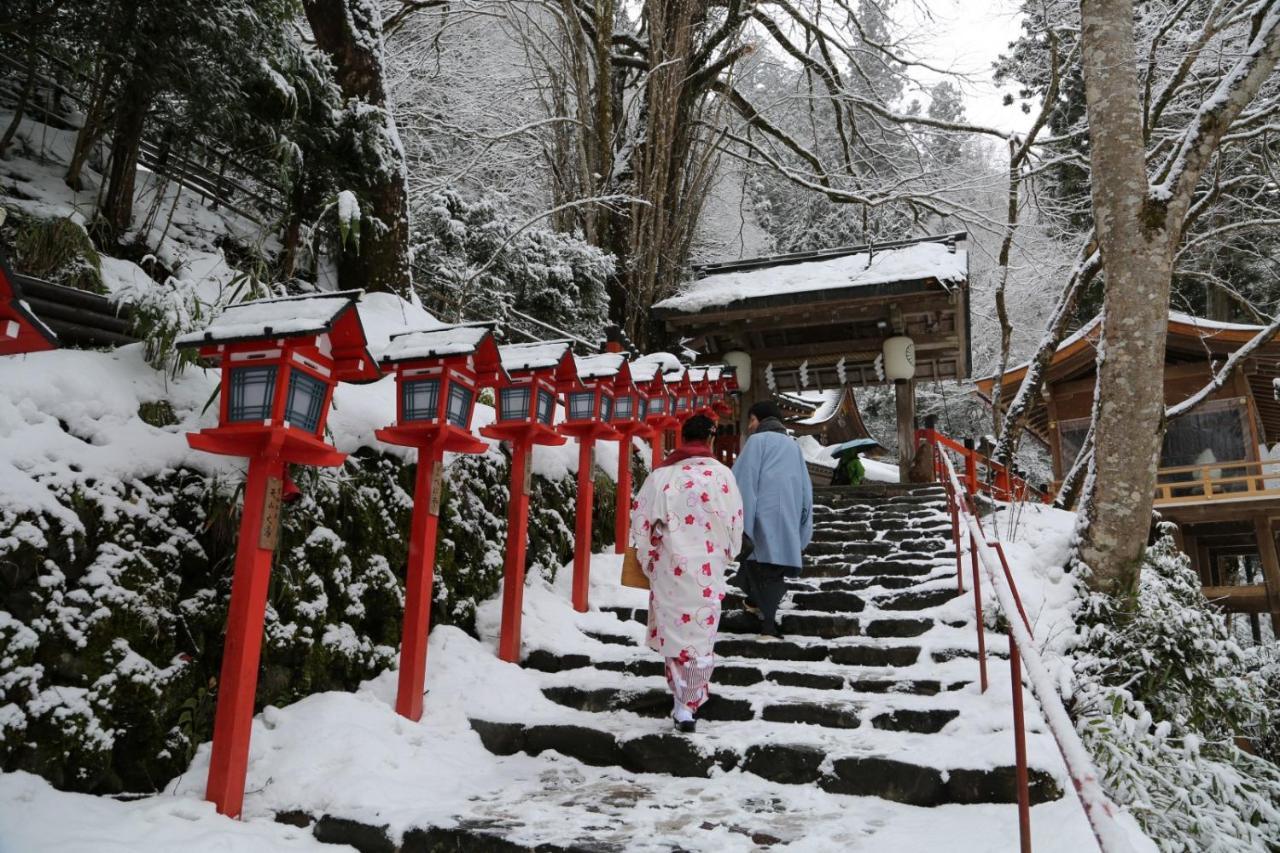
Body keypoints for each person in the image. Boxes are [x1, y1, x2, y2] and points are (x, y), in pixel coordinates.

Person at [629, 414, 743, 733]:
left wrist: (648, 556)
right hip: (707, 565)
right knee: (701, 635)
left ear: (681, 439)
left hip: (671, 567)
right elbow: (735, 519)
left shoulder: (662, 476)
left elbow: (640, 522)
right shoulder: (722, 476)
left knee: (676, 632)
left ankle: (682, 700)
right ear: (709, 440)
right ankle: (688, 702)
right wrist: (729, 549)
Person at [732, 401, 813, 639]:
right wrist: (803, 526)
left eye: (751, 420)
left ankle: (767, 624)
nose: (749, 426)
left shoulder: (756, 442)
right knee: (772, 572)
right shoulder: (793, 446)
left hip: (760, 520)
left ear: (760, 419)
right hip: (787, 520)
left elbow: (744, 483)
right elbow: (806, 490)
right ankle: (762, 614)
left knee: (756, 566)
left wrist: (741, 525)